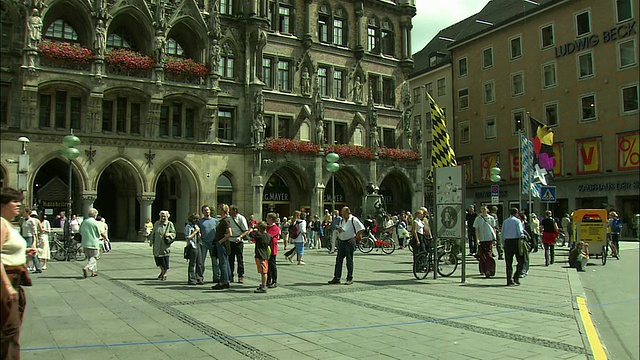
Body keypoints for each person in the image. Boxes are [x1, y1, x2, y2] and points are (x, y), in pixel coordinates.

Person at [1, 188, 36, 358]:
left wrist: (25, 252)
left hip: (13, 279)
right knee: (10, 330)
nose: (18, 205)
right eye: (14, 202)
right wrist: (7, 286)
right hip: (5, 280)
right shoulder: (1, 223)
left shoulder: (8, 224)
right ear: (3, 204)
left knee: (10, 329)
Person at [328, 207, 365, 285]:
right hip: (342, 242)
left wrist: (355, 237)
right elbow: (343, 229)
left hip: (349, 242)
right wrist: (339, 230)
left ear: (347, 212)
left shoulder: (353, 220)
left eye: (343, 213)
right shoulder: (342, 220)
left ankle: (349, 278)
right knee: (338, 261)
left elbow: (361, 229)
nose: (342, 215)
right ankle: (337, 278)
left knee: (349, 261)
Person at [79, 208, 106, 278]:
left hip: (85, 242)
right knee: (94, 257)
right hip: (94, 242)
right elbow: (100, 232)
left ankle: (94, 272)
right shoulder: (95, 222)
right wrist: (106, 238)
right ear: (95, 215)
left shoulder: (84, 222)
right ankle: (87, 267)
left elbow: (80, 231)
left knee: (90, 258)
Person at [501, 208, 525, 286]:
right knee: (521, 260)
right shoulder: (517, 221)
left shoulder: (505, 221)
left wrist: (503, 243)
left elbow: (502, 234)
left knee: (508, 263)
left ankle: (509, 280)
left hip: (507, 242)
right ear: (516, 213)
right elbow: (520, 232)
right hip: (516, 242)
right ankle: (516, 277)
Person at [150, 210, 176, 281]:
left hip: (164, 246)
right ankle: (162, 271)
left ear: (167, 216)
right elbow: (153, 232)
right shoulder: (156, 223)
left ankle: (164, 274)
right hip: (157, 245)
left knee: (164, 261)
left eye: (164, 216)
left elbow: (174, 233)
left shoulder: (169, 224)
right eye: (162, 216)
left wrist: (169, 234)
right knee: (158, 260)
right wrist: (151, 241)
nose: (163, 218)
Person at [212, 204, 232, 290]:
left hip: (222, 243)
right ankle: (226, 280)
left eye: (219, 209)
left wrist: (220, 241)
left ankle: (223, 281)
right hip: (221, 243)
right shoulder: (223, 220)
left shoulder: (225, 221)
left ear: (223, 210)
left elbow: (229, 233)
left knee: (222, 262)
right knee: (225, 262)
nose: (217, 210)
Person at [473, 205, 497, 278]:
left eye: (484, 209)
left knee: (488, 255)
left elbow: (493, 229)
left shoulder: (491, 218)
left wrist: (494, 239)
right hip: (481, 239)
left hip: (489, 238)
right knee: (482, 255)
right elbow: (476, 230)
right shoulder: (478, 219)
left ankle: (490, 270)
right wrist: (477, 239)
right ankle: (483, 270)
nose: (483, 210)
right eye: (482, 209)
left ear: (487, 210)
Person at [198, 205, 219, 285]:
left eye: (207, 210)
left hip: (213, 243)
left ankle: (216, 277)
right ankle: (200, 277)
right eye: (205, 210)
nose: (206, 211)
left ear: (210, 211)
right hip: (203, 243)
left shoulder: (215, 221)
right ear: (202, 212)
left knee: (215, 261)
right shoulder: (200, 221)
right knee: (201, 261)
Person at [228, 205, 249, 283]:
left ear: (235, 211)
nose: (230, 212)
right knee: (230, 259)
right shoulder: (229, 218)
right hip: (230, 240)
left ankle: (241, 276)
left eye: (231, 210)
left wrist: (240, 237)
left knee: (240, 259)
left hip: (238, 241)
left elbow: (246, 230)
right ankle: (230, 276)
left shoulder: (241, 218)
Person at [251, 221, 271, 293]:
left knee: (264, 272)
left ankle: (264, 286)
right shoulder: (268, 236)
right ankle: (263, 284)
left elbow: (251, 234)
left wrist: (252, 229)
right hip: (265, 254)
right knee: (263, 271)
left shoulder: (259, 234)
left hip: (260, 255)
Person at [185, 213, 201, 285]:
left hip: (198, 245)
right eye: (194, 219)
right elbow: (188, 237)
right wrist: (195, 232)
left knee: (199, 263)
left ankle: (198, 278)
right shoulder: (188, 226)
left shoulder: (196, 226)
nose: (196, 220)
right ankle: (191, 279)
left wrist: (199, 234)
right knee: (192, 263)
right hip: (192, 246)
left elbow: (198, 237)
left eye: (197, 219)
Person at [265, 213, 280, 288]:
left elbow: (268, 236)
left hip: (272, 249)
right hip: (266, 249)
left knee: (272, 265)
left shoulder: (275, 228)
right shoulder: (267, 227)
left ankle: (274, 281)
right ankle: (268, 280)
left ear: (271, 219)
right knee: (267, 265)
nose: (266, 219)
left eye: (267, 218)